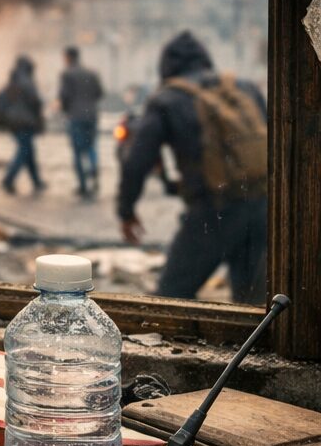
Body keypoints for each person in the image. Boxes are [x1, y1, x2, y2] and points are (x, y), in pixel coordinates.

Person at [118, 31, 268, 303]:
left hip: (213, 213)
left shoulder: (167, 99)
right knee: (252, 309)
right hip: (260, 209)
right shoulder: (244, 88)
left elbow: (136, 163)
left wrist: (126, 212)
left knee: (170, 298)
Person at [0, 56, 46, 195]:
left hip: (13, 121)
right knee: (24, 151)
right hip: (24, 121)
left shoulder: (13, 81)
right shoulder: (26, 81)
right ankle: (8, 179)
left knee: (29, 152)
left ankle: (36, 181)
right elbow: (36, 101)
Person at [59, 45, 104, 198]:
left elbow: (64, 96)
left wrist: (66, 110)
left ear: (69, 57)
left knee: (78, 151)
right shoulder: (91, 73)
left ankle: (83, 185)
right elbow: (99, 93)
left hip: (76, 115)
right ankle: (93, 170)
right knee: (91, 147)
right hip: (91, 114)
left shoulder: (68, 74)